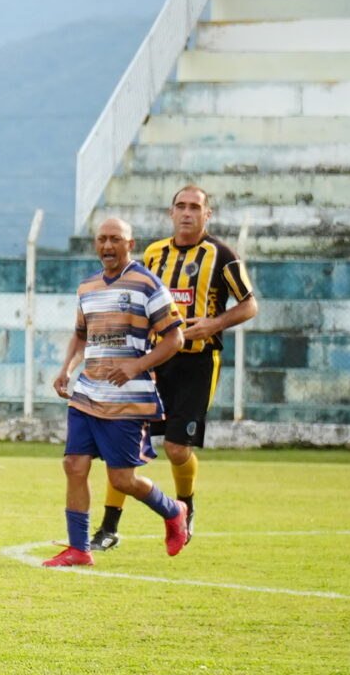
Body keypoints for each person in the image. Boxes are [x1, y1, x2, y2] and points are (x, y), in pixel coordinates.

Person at [92, 183, 256, 548]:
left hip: (198, 364)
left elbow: (249, 305)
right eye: (180, 206)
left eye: (195, 207)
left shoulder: (222, 255)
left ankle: (185, 509)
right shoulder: (153, 254)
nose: (187, 213)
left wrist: (213, 323)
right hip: (153, 360)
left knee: (177, 449)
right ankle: (109, 528)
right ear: (171, 213)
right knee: (124, 442)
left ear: (206, 215)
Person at [47, 215, 190, 568]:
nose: (107, 246)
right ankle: (79, 549)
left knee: (122, 480)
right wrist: (66, 368)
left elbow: (176, 337)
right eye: (101, 239)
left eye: (115, 239)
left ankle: (174, 510)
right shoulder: (87, 287)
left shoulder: (147, 284)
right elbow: (81, 335)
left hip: (128, 399)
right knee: (73, 465)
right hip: (87, 393)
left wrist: (136, 366)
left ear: (130, 244)